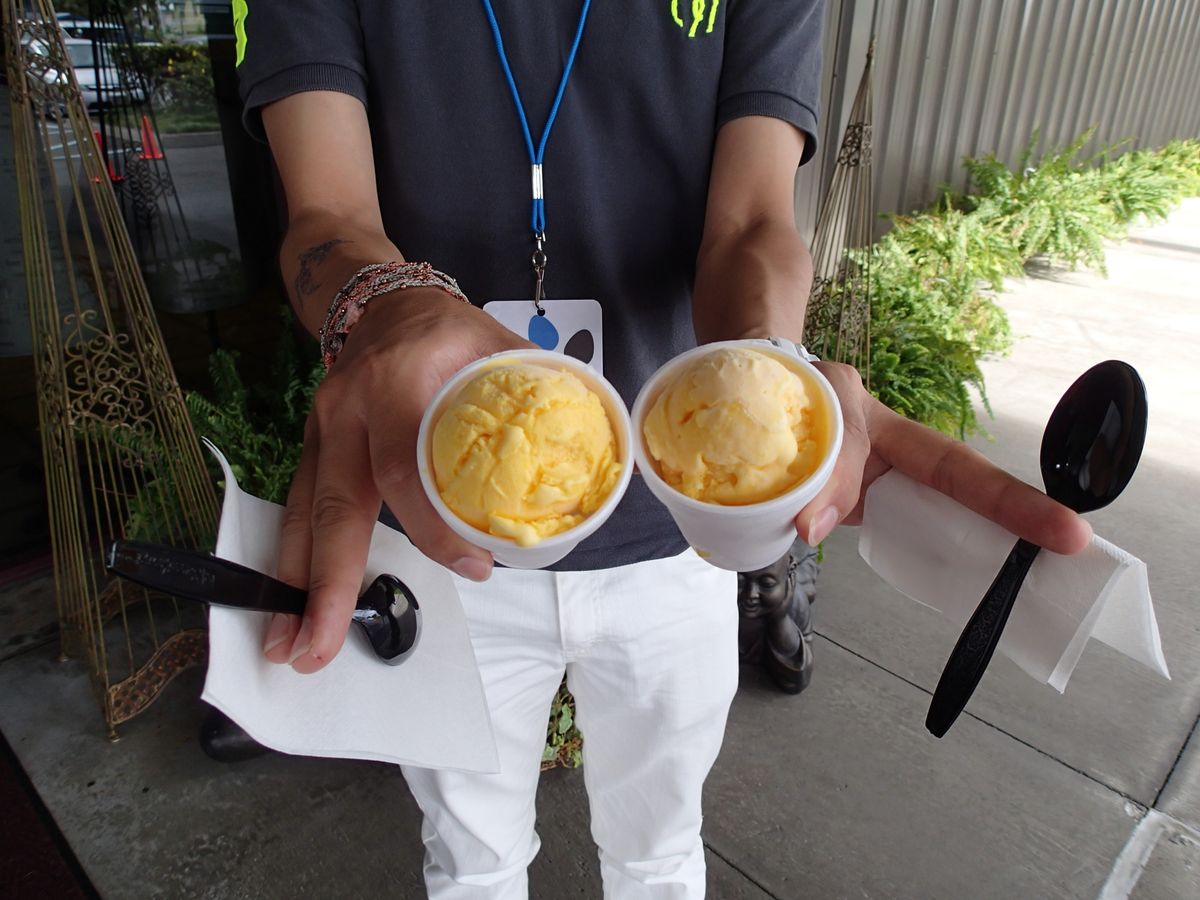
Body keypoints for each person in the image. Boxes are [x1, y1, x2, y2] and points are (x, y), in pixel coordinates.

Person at [234, 2, 1092, 897]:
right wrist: (385, 305)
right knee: (469, 862)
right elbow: (326, 214)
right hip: (443, 523)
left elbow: (750, 222)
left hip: (676, 529)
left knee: (660, 854)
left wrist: (765, 385)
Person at [737, 543, 818, 694]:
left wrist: (780, 620)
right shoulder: (716, 597)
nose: (751, 594)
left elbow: (798, 678)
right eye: (740, 581)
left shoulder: (795, 603)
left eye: (766, 584)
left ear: (788, 576)